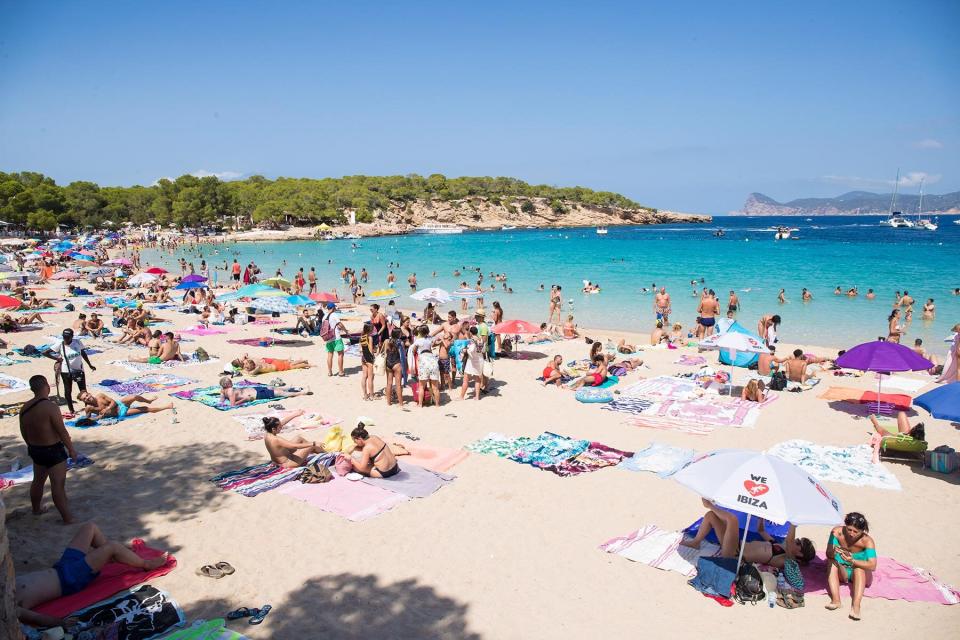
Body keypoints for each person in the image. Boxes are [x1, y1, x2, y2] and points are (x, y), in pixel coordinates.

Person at [15, 522, 169, 630]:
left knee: (90, 528)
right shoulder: (7, 606)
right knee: (112, 546)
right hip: (70, 579)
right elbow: (37, 619)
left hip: (62, 567)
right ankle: (145, 564)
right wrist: (61, 623)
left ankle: (114, 556)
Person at [681, 499, 816, 569]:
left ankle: (709, 505)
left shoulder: (786, 560)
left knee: (732, 520)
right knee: (711, 516)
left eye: (798, 543)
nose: (795, 540)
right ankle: (696, 542)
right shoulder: (777, 545)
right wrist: (761, 516)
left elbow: (790, 540)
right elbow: (761, 531)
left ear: (799, 554)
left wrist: (793, 523)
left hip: (734, 555)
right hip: (734, 545)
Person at [19, 375, 77, 524]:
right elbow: (62, 431)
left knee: (38, 481)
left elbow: (24, 431)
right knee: (58, 484)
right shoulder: (50, 407)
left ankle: (36, 509)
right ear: (46, 386)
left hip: (35, 449)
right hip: (52, 450)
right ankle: (67, 518)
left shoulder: (25, 407)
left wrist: (32, 445)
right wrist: (71, 449)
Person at [825, 512, 877, 621]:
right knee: (831, 562)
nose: (851, 534)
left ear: (862, 531)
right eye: (849, 529)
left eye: (855, 531)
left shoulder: (867, 541)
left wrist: (853, 561)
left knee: (859, 569)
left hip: (860, 573)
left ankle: (856, 606)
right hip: (843, 570)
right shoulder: (836, 532)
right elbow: (828, 554)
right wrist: (833, 551)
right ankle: (836, 600)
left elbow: (872, 565)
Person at [44, 329, 96, 414]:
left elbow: (83, 353)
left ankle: (88, 406)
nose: (66, 339)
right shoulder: (60, 344)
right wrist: (57, 358)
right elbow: (45, 352)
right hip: (66, 371)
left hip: (79, 370)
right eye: (64, 337)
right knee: (68, 391)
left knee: (83, 390)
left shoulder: (78, 342)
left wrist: (90, 365)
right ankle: (71, 410)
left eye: (68, 337)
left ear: (72, 337)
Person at [77, 390, 174, 420]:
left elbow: (113, 402)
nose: (87, 398)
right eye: (84, 399)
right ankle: (166, 407)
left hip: (119, 403)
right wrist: (98, 417)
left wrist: (107, 409)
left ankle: (148, 400)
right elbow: (88, 420)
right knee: (145, 409)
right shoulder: (89, 408)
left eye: (87, 396)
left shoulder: (100, 396)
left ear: (89, 393)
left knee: (134, 396)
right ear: (83, 401)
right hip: (121, 412)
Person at [218, 376, 312, 406]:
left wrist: (221, 401)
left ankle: (294, 387)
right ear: (227, 384)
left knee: (273, 388)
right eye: (230, 382)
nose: (232, 382)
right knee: (280, 393)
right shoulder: (230, 391)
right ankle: (302, 392)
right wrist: (245, 399)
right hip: (256, 394)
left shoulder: (222, 390)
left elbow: (221, 400)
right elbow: (232, 404)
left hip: (255, 389)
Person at [412, 325, 441, 407]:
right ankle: (437, 404)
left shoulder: (418, 340)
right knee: (435, 387)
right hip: (433, 361)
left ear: (420, 332)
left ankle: (420, 404)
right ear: (428, 332)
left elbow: (413, 350)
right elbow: (432, 345)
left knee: (421, 386)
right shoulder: (429, 340)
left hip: (424, 362)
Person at [381, 328, 407, 407]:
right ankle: (401, 403)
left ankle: (389, 402)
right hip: (397, 364)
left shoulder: (386, 341)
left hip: (388, 363)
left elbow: (384, 352)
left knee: (389, 384)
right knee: (398, 385)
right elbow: (403, 355)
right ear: (399, 334)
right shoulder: (400, 342)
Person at [459, 326, 485, 401]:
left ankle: (461, 397)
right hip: (480, 360)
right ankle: (477, 397)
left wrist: (465, 350)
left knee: (466, 379)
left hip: (472, 361)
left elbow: (471, 350)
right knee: (478, 379)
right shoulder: (481, 340)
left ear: (470, 332)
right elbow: (483, 350)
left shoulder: (472, 340)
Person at [322, 302, 346, 376]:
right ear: (332, 308)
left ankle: (330, 372)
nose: (335, 309)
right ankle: (341, 372)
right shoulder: (334, 315)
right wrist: (346, 331)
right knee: (340, 354)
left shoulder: (324, 316)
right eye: (334, 308)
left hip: (328, 338)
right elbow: (340, 324)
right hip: (336, 337)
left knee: (330, 354)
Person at [231, 355, 311, 375]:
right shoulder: (247, 364)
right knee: (290, 364)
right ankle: (303, 361)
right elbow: (250, 372)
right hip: (274, 364)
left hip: (276, 366)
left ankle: (307, 364)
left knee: (292, 366)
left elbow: (251, 373)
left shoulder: (247, 366)